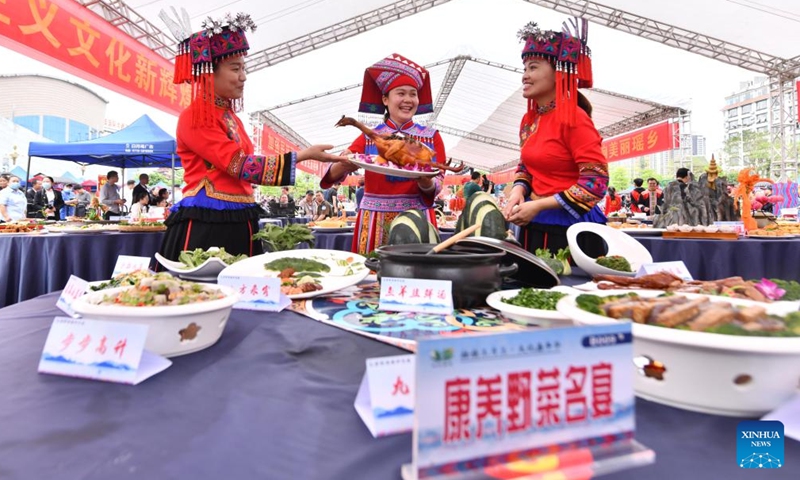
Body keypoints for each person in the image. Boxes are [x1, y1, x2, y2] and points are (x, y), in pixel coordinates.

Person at [157, 12, 346, 259]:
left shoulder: (230, 117)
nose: (243, 76)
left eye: (244, 68)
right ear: (207, 72)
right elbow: (239, 164)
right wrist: (301, 156)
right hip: (209, 221)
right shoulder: (195, 117)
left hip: (239, 214)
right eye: (235, 68)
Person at [502, 19, 609, 256]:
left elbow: (596, 182)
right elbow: (526, 166)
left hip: (573, 229)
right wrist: (519, 191)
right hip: (534, 222)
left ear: (558, 72)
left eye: (533, 67)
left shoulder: (575, 119)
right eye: (524, 68)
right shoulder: (529, 120)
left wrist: (539, 204)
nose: (525, 76)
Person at [321, 53, 446, 254]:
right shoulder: (369, 136)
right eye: (401, 93)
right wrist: (344, 164)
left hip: (418, 218)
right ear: (385, 99)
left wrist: (426, 182)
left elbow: (438, 183)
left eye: (413, 94)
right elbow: (332, 175)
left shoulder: (432, 138)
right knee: (373, 278)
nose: (408, 100)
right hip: (374, 220)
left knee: (418, 276)